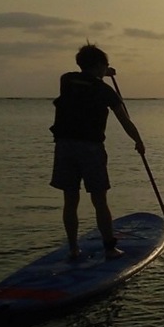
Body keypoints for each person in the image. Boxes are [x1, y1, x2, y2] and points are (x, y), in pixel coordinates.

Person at [49, 43, 145, 260]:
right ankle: (110, 248)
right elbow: (124, 120)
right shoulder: (106, 91)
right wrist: (138, 141)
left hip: (64, 146)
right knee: (99, 200)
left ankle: (73, 248)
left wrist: (103, 71)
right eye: (104, 65)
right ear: (100, 65)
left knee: (70, 200)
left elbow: (85, 76)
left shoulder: (67, 80)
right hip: (90, 149)